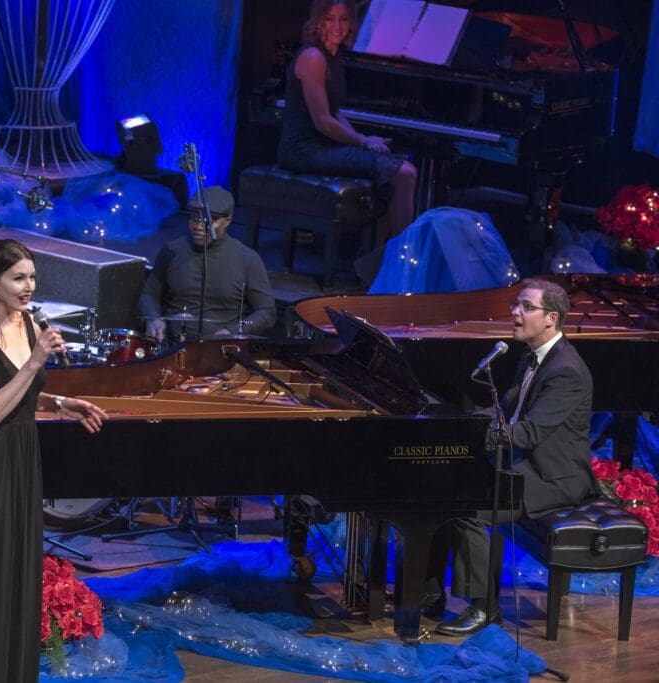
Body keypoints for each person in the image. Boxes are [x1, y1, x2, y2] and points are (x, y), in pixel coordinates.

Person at [0, 239, 107, 682]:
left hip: (22, 456)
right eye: (18, 278)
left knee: (13, 569)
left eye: (32, 277)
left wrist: (61, 403)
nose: (29, 287)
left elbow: (23, 395)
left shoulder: (28, 323)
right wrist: (35, 360)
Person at [425, 278, 596, 636]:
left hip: (553, 478)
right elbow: (505, 413)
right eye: (515, 305)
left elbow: (529, 432)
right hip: (522, 461)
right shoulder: (531, 356)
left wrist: (475, 437)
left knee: (469, 510)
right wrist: (461, 423)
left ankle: (485, 609)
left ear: (551, 318)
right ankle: (431, 593)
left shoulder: (566, 371)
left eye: (526, 307)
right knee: (440, 489)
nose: (515, 312)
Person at [277, 0, 417, 245]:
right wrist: (362, 141)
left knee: (391, 171)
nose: (337, 26)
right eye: (329, 18)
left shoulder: (333, 55)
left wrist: (364, 141)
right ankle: (400, 258)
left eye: (344, 19)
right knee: (405, 173)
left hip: (320, 146)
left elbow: (335, 112)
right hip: (303, 150)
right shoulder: (313, 57)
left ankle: (377, 255)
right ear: (317, 21)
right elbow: (323, 121)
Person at [141, 185, 276, 343]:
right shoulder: (172, 251)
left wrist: (235, 330)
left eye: (209, 220)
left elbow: (266, 312)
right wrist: (153, 318)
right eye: (194, 218)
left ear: (228, 220)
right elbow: (149, 295)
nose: (198, 226)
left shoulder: (247, 259)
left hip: (219, 349)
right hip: (172, 345)